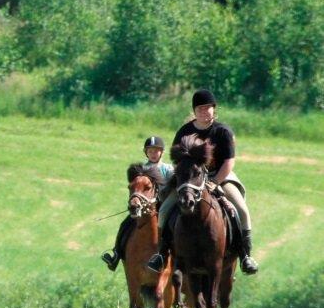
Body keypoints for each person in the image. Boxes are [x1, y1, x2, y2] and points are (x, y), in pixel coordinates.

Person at [146, 89, 259, 275]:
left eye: (208, 108)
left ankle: (246, 255)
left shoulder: (223, 132)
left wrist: (215, 181)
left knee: (241, 209)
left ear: (214, 109)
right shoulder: (185, 131)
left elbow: (229, 161)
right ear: (194, 110)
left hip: (220, 176)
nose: (204, 112)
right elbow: (178, 159)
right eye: (200, 109)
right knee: (165, 209)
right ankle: (161, 254)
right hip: (190, 179)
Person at [100, 136, 174, 271]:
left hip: (163, 205)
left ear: (161, 152)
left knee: (174, 225)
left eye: (156, 151)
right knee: (125, 224)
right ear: (146, 153)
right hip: (145, 207)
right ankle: (115, 254)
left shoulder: (168, 169)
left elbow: (172, 186)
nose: (153, 154)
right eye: (150, 151)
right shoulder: (142, 169)